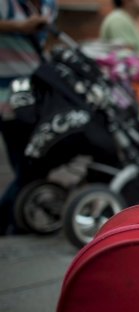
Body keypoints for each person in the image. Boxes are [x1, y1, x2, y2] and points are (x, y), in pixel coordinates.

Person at [0, 0, 56, 235]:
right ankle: (8, 219)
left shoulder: (50, 5)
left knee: (37, 163)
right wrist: (19, 27)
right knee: (26, 166)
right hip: (7, 97)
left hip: (38, 97)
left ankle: (19, 217)